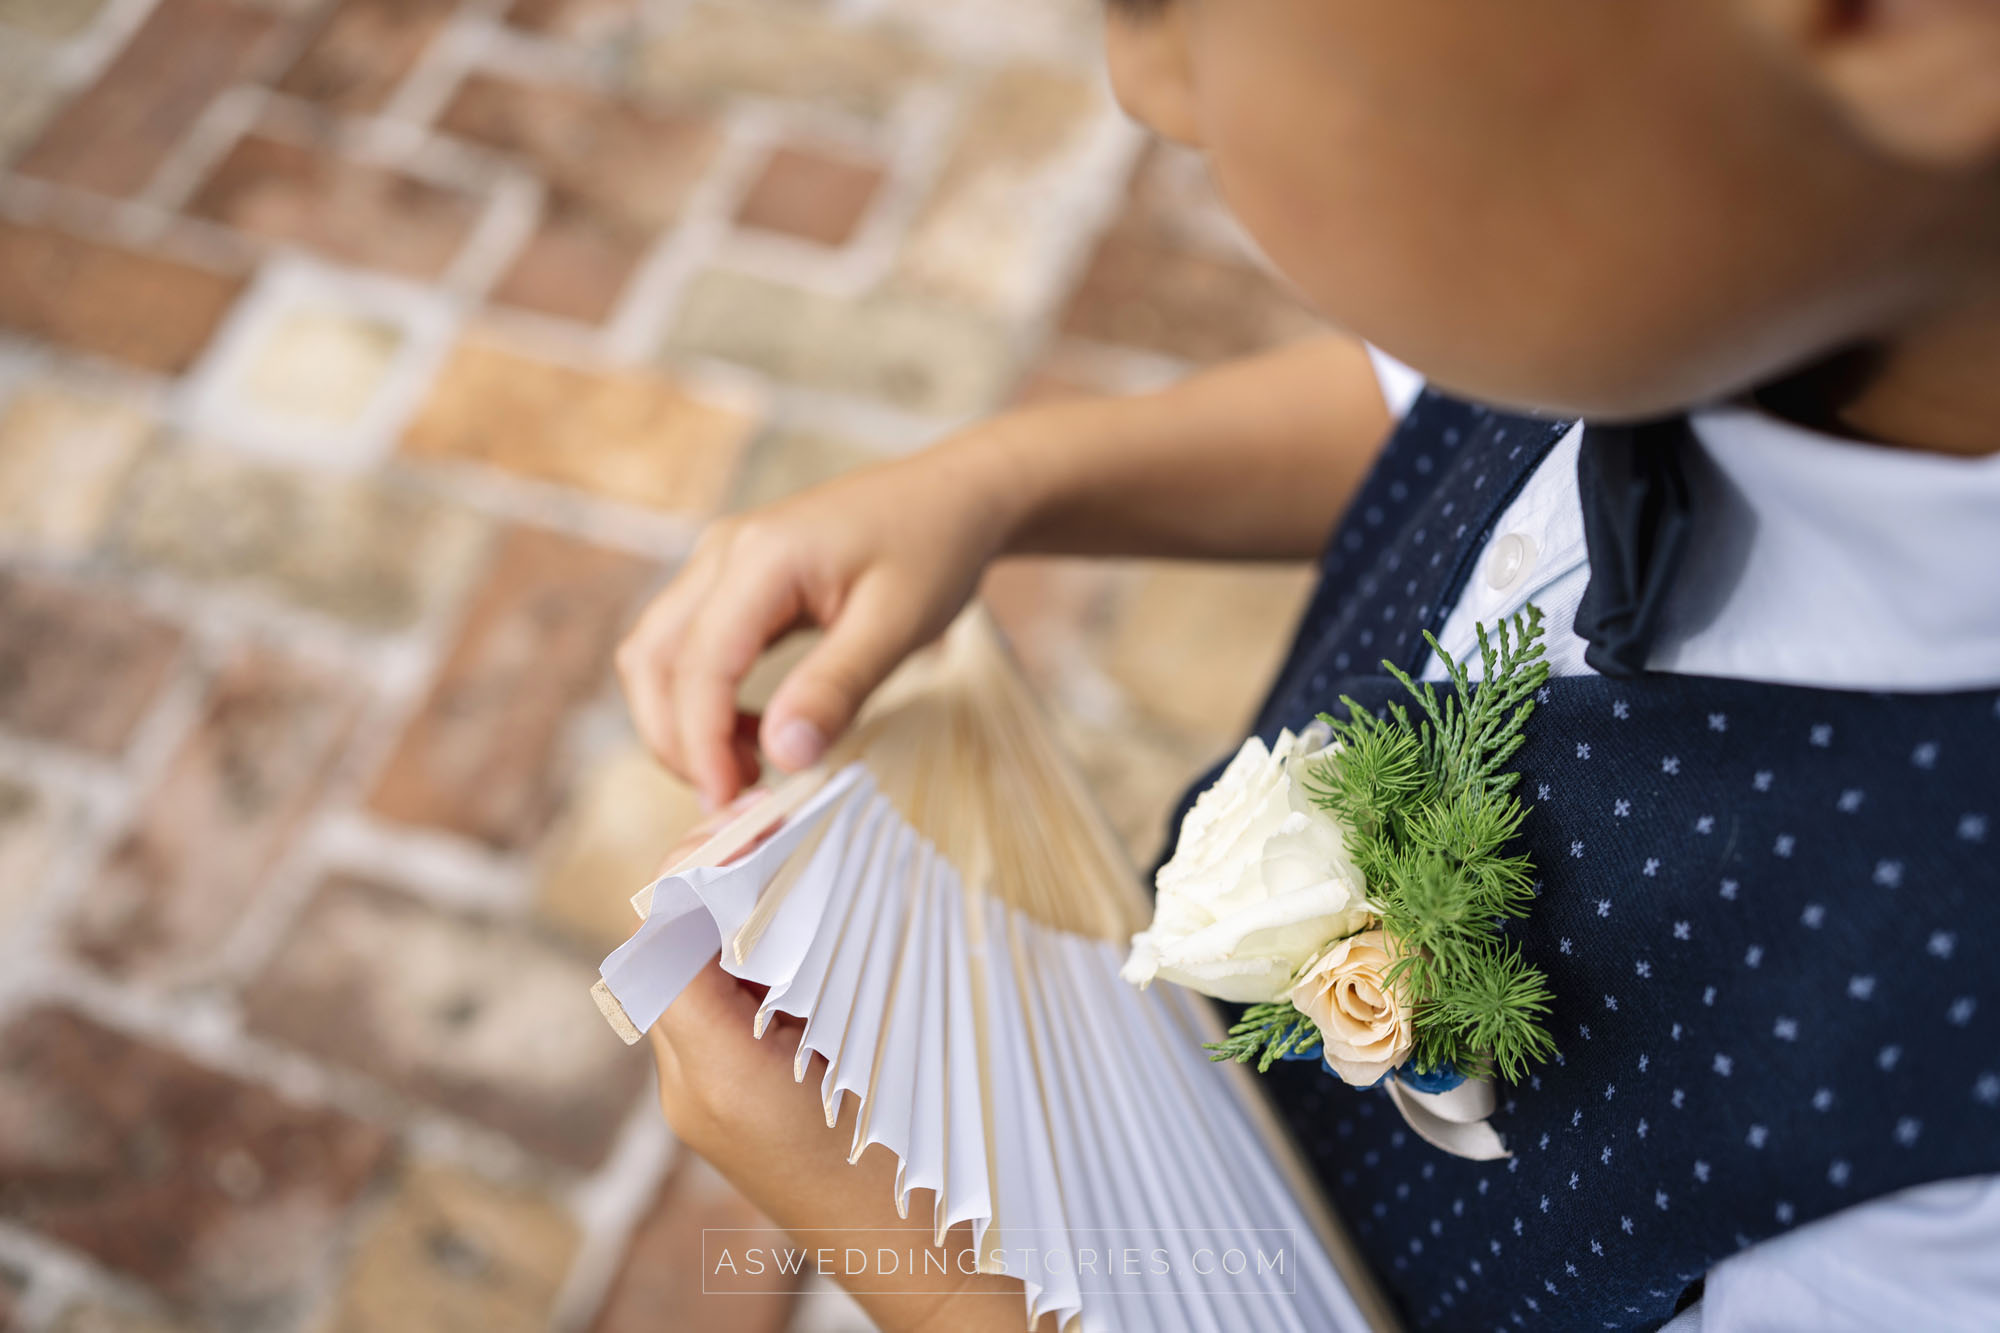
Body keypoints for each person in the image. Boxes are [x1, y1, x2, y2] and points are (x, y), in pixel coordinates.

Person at [618, 1, 2000, 1328]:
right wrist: (1003, 482)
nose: (1142, 89)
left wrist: (917, 1259)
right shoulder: (1698, 263)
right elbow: (1430, 401)